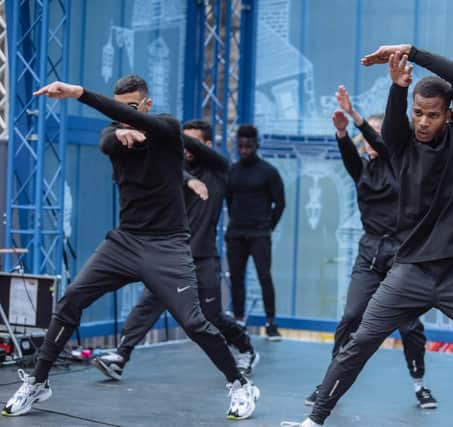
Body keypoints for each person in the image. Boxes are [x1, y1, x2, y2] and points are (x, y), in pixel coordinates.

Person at [282, 44, 453, 427]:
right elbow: (393, 122)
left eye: (433, 115)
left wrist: (412, 51)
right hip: (410, 270)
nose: (423, 122)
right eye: (418, 114)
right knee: (359, 343)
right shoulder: (401, 145)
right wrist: (397, 86)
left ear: (449, 115)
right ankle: (314, 420)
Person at [2, 76, 259, 420]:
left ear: (147, 106)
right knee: (71, 300)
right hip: (124, 242)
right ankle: (37, 381)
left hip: (167, 246)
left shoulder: (167, 129)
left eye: (133, 109)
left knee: (195, 323)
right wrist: (119, 132)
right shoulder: (112, 136)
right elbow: (111, 136)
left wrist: (79, 92)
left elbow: (145, 126)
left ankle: (240, 383)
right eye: (119, 109)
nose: (125, 117)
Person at [92, 119, 259, 381]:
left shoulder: (218, 169)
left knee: (211, 316)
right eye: (183, 142)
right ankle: (120, 356)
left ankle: (245, 346)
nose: (186, 147)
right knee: (148, 304)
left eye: (192, 142)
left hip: (203, 257)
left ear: (206, 144)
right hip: (170, 256)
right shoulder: (173, 167)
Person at [304, 86, 435, 410]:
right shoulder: (364, 168)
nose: (372, 140)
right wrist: (341, 131)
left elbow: (380, 143)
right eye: (369, 135)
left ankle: (419, 385)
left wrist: (356, 116)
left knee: (409, 325)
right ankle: (330, 382)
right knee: (350, 317)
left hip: (401, 256)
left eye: (378, 134)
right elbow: (351, 153)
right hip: (369, 253)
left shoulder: (400, 164)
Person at [226, 125, 285, 340]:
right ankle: (239, 320)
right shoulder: (231, 171)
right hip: (236, 233)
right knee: (237, 278)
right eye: (240, 146)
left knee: (264, 277)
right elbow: (229, 200)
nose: (244, 150)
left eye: (248, 146)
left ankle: (271, 323)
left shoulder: (268, 171)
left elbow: (280, 203)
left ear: (255, 145)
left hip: (259, 233)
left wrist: (268, 227)